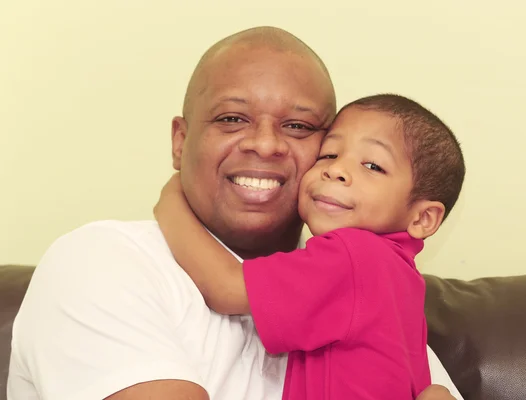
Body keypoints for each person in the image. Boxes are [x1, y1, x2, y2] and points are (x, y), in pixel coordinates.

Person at [7, 27, 463, 400]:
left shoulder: (366, 280)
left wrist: (170, 199)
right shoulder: (101, 261)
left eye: (299, 126)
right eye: (232, 118)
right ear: (180, 142)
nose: (264, 144)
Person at [154, 92, 465, 400]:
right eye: (328, 154)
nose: (336, 170)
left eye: (372, 166)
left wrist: (172, 199)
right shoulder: (401, 278)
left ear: (423, 218)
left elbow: (226, 287)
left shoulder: (354, 256)